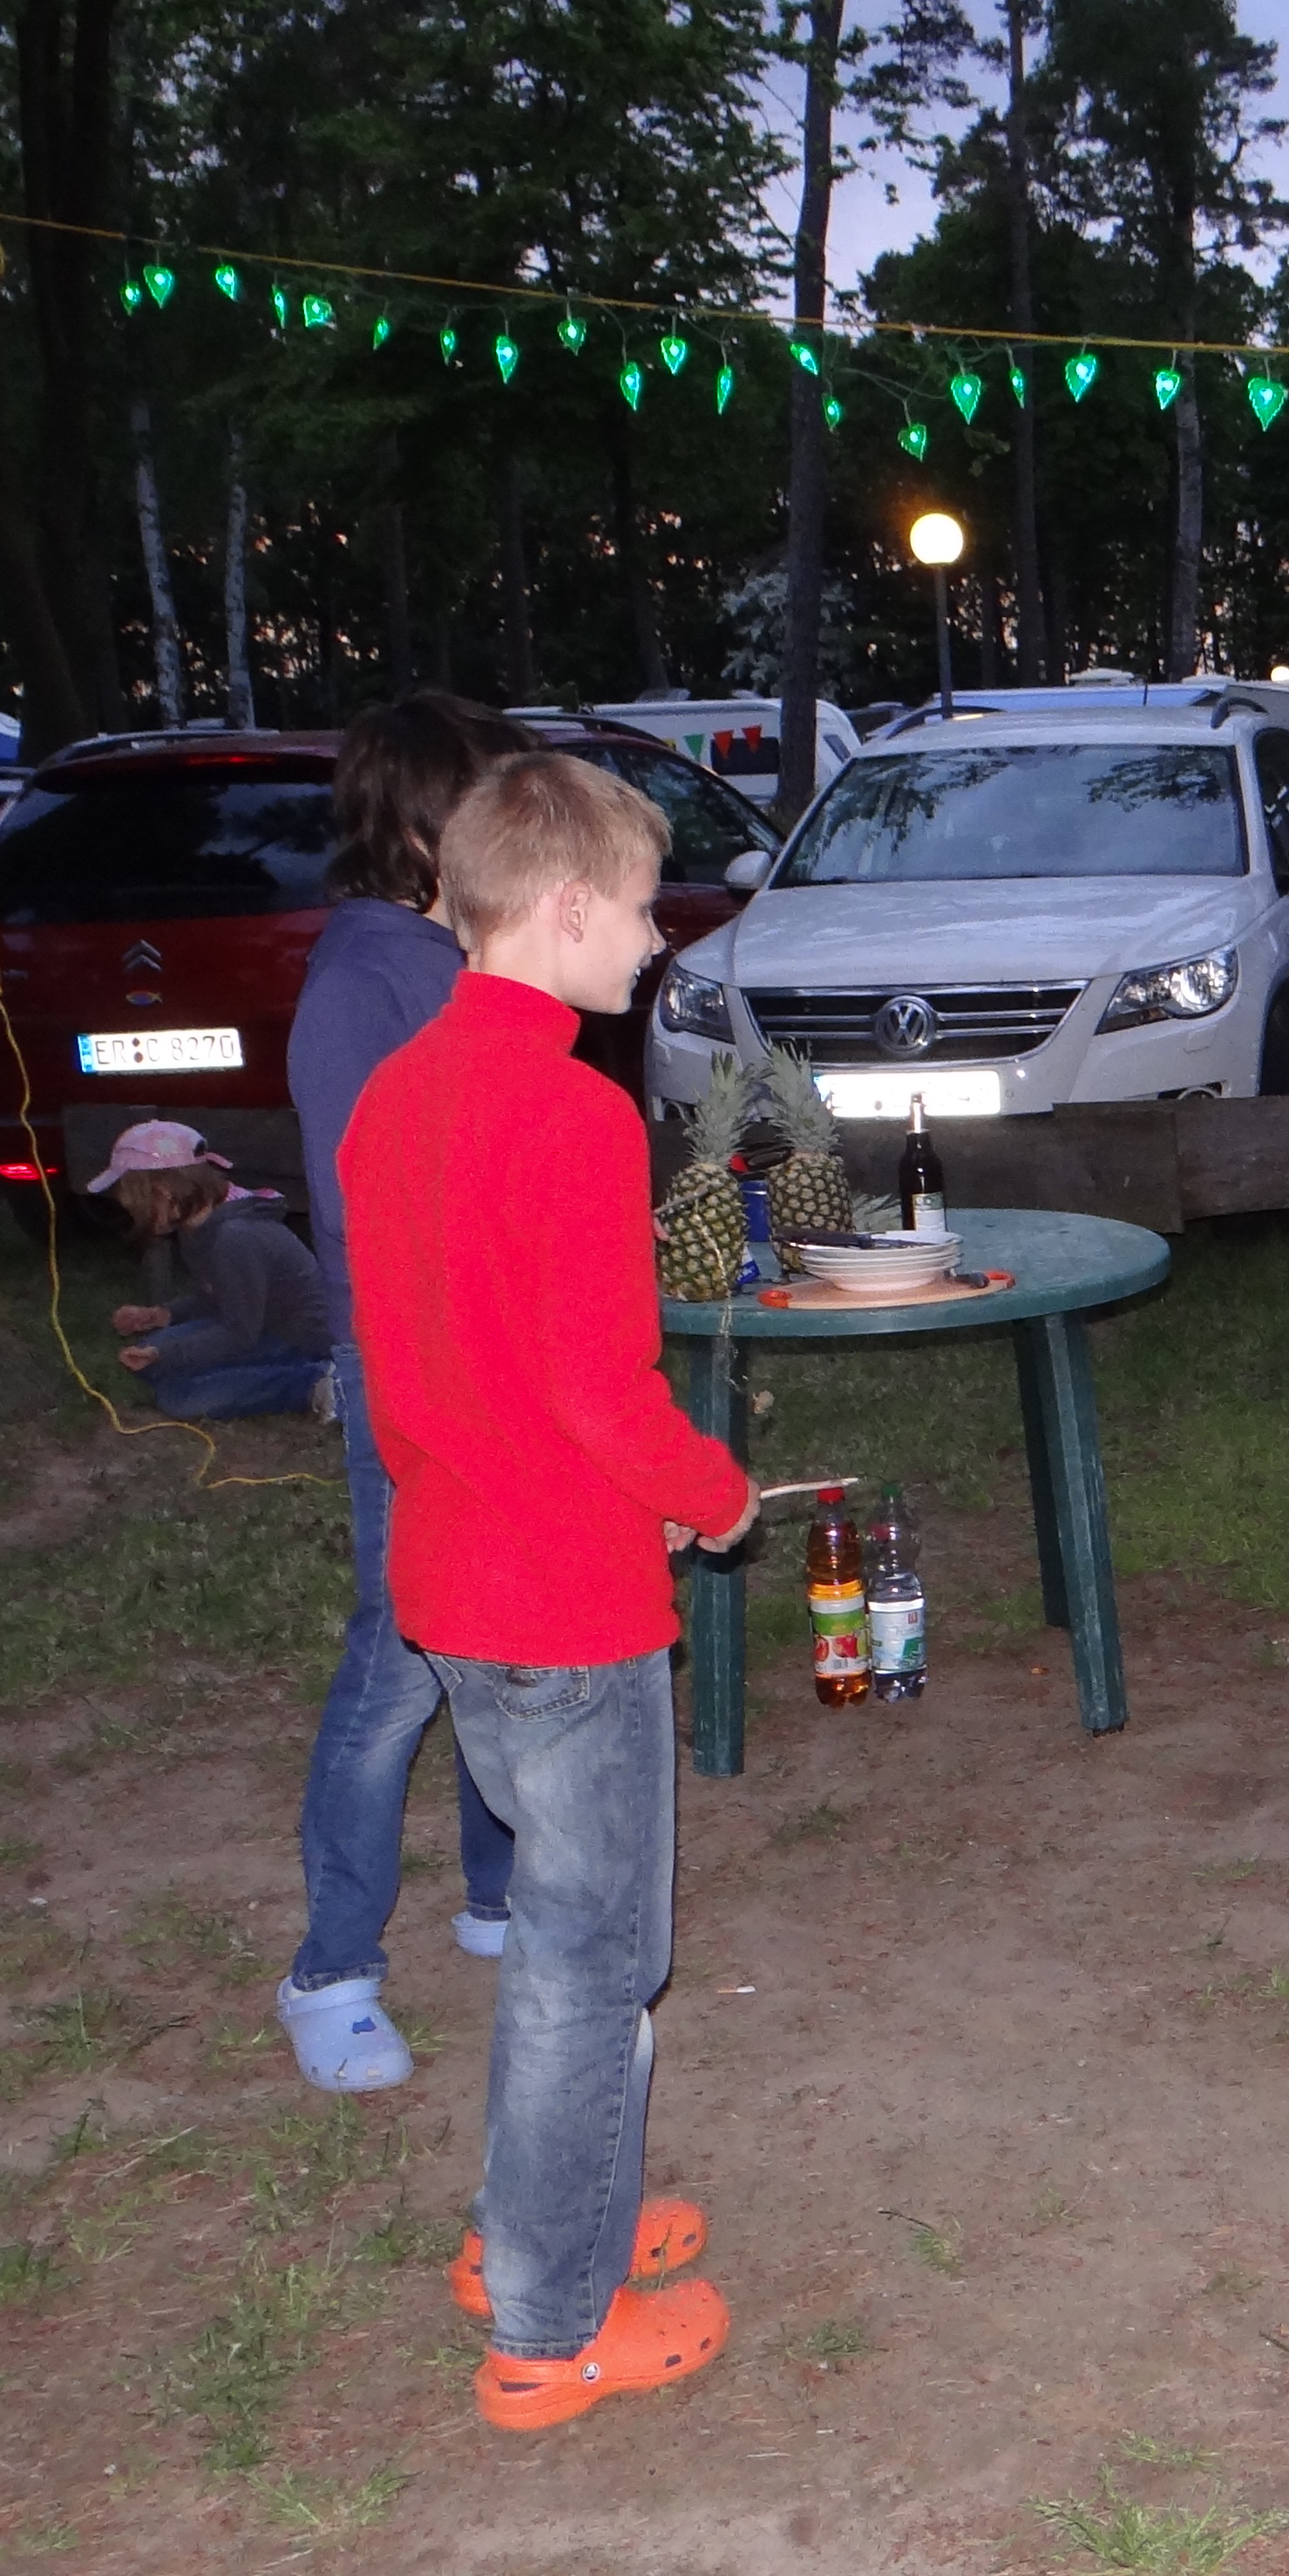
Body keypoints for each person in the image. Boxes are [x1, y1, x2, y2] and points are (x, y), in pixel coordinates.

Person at [339, 749, 756, 2432]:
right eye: (644, 911)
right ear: (569, 906)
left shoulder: (395, 1095)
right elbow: (598, 1387)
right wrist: (709, 1493)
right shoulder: (574, 1115)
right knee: (595, 1963)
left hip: (451, 1577)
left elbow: (423, 1358)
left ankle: (538, 2215)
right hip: (567, 1608)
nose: (654, 943)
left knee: (559, 1948)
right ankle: (551, 2323)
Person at [273, 693, 534, 2097]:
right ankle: (330, 1971)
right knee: (406, 1651)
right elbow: (368, 1207)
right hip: (416, 1364)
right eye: (497, 805)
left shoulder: (465, 964)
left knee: (499, 1625)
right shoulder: (364, 982)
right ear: (427, 824)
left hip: (500, 1355)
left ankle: (497, 1895)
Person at [96, 1121, 326, 1419]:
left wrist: (166, 1355)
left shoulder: (236, 1237)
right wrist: (162, 1315)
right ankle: (249, 1375)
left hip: (294, 1339)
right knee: (155, 1355)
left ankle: (316, 1382)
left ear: (164, 1192)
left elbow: (238, 1334)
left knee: (182, 1397)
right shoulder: (198, 1225)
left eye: (137, 1205)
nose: (133, 1214)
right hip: (255, 1325)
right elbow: (217, 1295)